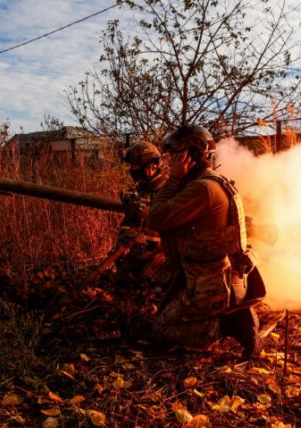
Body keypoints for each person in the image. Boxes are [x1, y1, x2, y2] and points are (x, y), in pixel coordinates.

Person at [146, 125, 266, 357]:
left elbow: (156, 218)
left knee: (161, 331)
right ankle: (230, 316)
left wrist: (173, 180)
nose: (169, 163)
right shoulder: (212, 182)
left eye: (173, 157)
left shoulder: (202, 189)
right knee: (164, 312)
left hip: (211, 285)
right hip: (218, 278)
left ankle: (230, 324)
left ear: (188, 156)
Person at [88, 142, 167, 284]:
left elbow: (169, 220)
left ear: (151, 166)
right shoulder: (142, 189)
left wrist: (144, 212)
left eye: (135, 166)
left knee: (146, 282)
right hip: (138, 251)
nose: (132, 169)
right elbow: (130, 224)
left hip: (159, 253)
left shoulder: (167, 190)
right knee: (120, 280)